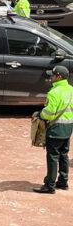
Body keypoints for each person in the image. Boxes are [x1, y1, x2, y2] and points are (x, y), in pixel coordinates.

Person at [33, 65, 73, 194]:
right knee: (64, 155)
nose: (51, 77)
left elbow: (49, 112)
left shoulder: (54, 92)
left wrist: (39, 114)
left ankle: (49, 185)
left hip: (55, 128)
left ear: (59, 77)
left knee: (52, 157)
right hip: (68, 128)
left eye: (53, 75)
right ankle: (63, 182)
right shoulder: (71, 90)